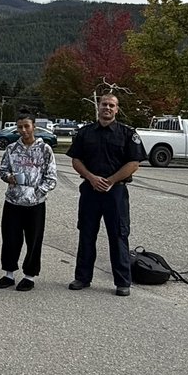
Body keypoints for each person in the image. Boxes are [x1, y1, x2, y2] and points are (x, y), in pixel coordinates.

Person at [67, 93, 147, 296]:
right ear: (98, 107)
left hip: (116, 193)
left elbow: (134, 163)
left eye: (112, 105)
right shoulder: (85, 133)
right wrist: (92, 178)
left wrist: (110, 180)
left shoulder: (127, 134)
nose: (107, 108)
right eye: (104, 104)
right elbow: (76, 160)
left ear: (117, 109)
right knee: (86, 234)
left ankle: (122, 282)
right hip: (90, 191)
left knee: (119, 236)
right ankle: (82, 278)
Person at [0, 113, 58, 291]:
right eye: (20, 127)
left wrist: (38, 192)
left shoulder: (45, 149)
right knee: (10, 239)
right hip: (13, 201)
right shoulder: (11, 149)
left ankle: (29, 276)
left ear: (34, 127)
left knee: (34, 240)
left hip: (35, 204)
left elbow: (51, 178)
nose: (23, 130)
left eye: (26, 126)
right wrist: (10, 178)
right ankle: (9, 274)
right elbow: (2, 170)